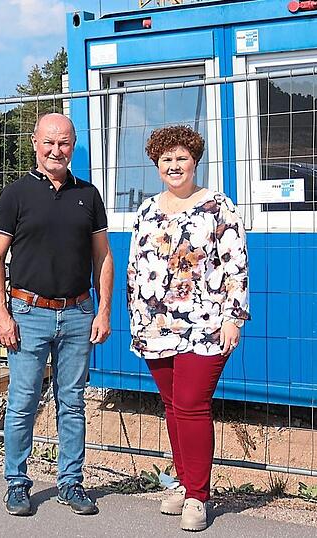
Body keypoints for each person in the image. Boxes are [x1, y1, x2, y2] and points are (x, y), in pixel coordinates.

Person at [0, 113, 114, 517]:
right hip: (28, 313)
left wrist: (104, 309)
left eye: (64, 143)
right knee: (23, 401)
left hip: (78, 313)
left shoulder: (89, 195)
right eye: (49, 142)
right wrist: (1, 314)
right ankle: (17, 483)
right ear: (35, 144)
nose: (56, 150)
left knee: (72, 402)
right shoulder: (16, 194)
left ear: (73, 145)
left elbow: (103, 256)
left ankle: (71, 482)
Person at [127, 125, 250, 532]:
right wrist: (136, 317)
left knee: (193, 405)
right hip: (156, 324)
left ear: (195, 161)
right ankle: (182, 482)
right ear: (156, 165)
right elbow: (136, 265)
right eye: (166, 160)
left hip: (206, 325)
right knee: (172, 406)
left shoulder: (218, 207)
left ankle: (198, 495)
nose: (174, 165)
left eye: (181, 158)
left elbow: (235, 264)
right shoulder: (147, 210)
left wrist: (234, 316)